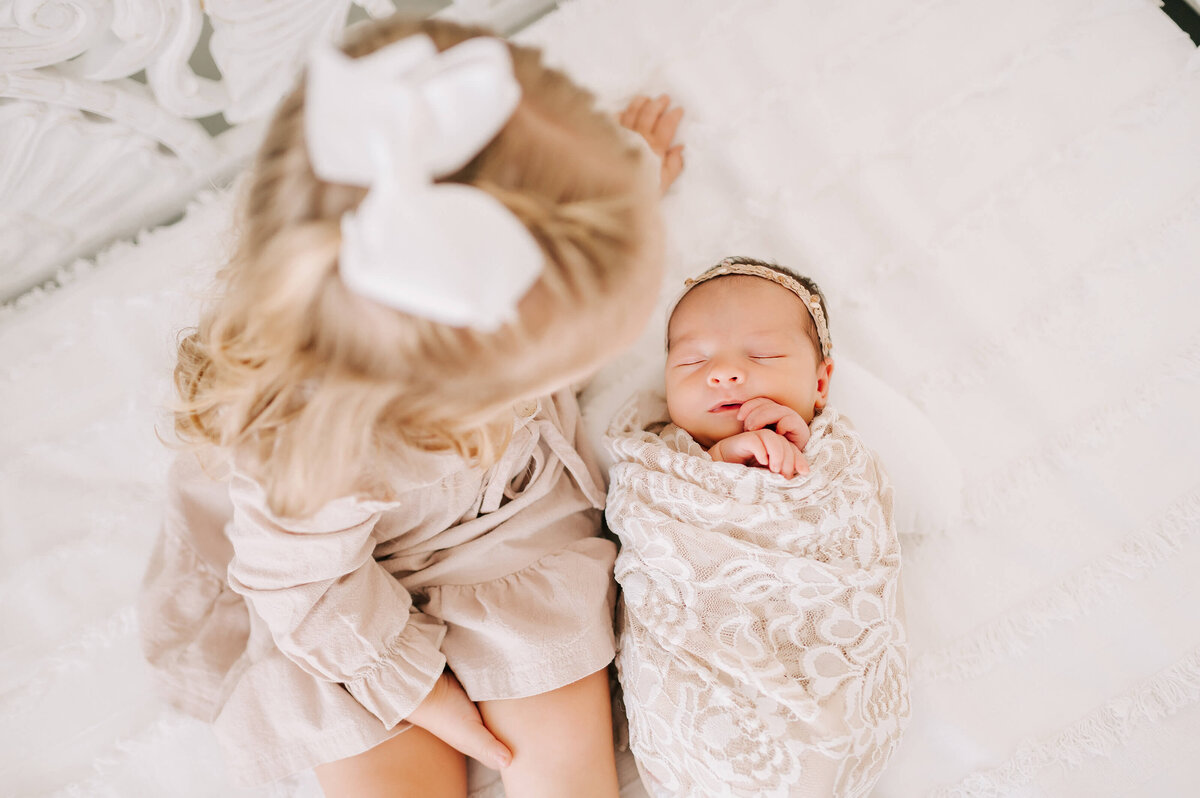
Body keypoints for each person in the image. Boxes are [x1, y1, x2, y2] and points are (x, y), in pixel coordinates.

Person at [138, 14, 684, 798]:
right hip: (331, 598)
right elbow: (305, 586)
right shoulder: (307, 447)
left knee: (568, 780)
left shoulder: (486, 242)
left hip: (505, 524)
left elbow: (543, 199)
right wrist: (424, 693)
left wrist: (624, 181)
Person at [605, 257, 910, 797]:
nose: (722, 373)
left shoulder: (839, 456)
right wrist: (721, 462)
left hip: (820, 658)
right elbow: (651, 530)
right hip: (703, 671)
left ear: (820, 382)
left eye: (762, 355)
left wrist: (796, 467)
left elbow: (858, 526)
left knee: (832, 724)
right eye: (693, 360)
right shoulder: (657, 467)